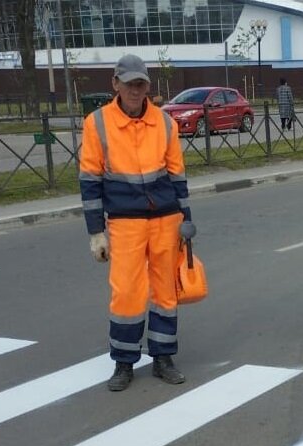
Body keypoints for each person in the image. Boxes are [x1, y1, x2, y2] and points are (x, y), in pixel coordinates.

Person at [79, 54, 195, 392]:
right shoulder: (97, 123)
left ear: (148, 86)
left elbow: (177, 174)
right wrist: (95, 231)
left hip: (165, 218)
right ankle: (124, 362)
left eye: (140, 83)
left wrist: (187, 220)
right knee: (127, 293)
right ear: (115, 84)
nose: (134, 89)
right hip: (125, 221)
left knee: (165, 292)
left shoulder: (165, 123)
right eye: (128, 83)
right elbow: (89, 179)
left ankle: (162, 357)